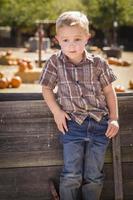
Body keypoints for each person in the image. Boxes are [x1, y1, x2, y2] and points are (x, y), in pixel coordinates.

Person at [39, 11, 119, 200]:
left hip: (100, 125)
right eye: (65, 40)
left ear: (87, 38)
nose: (71, 45)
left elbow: (109, 91)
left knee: (94, 175)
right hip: (72, 125)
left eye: (77, 39)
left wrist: (114, 118)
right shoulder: (54, 62)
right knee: (71, 174)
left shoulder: (98, 63)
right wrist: (57, 112)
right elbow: (46, 88)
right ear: (58, 39)